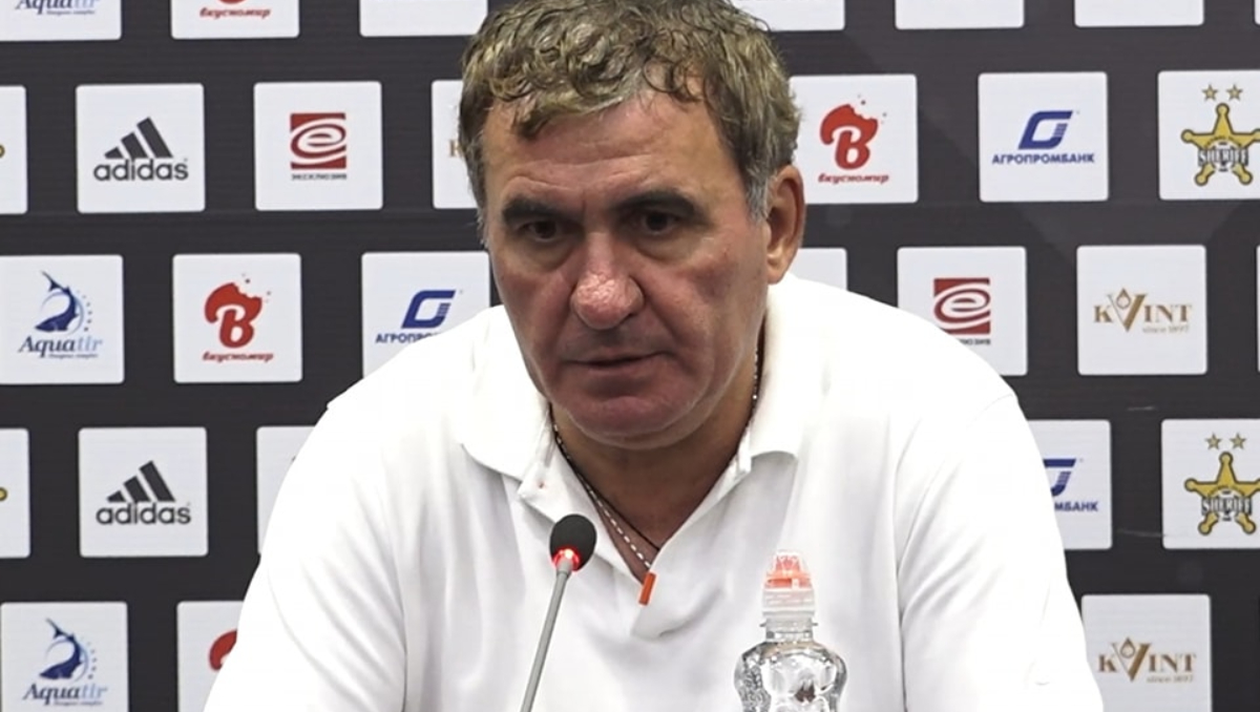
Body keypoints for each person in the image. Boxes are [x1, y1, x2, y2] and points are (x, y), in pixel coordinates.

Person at [203, 0, 1104, 710]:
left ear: (776, 226)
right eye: (544, 232)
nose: (600, 296)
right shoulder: (377, 450)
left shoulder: (932, 424)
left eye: (657, 221)